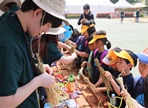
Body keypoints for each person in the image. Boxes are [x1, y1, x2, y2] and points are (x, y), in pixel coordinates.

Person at [0, 0, 69, 107]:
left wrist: (34, 67)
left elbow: (14, 65)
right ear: (37, 13)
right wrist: (38, 81)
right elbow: (4, 102)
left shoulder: (16, 24)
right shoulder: (8, 45)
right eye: (48, 25)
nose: (46, 31)